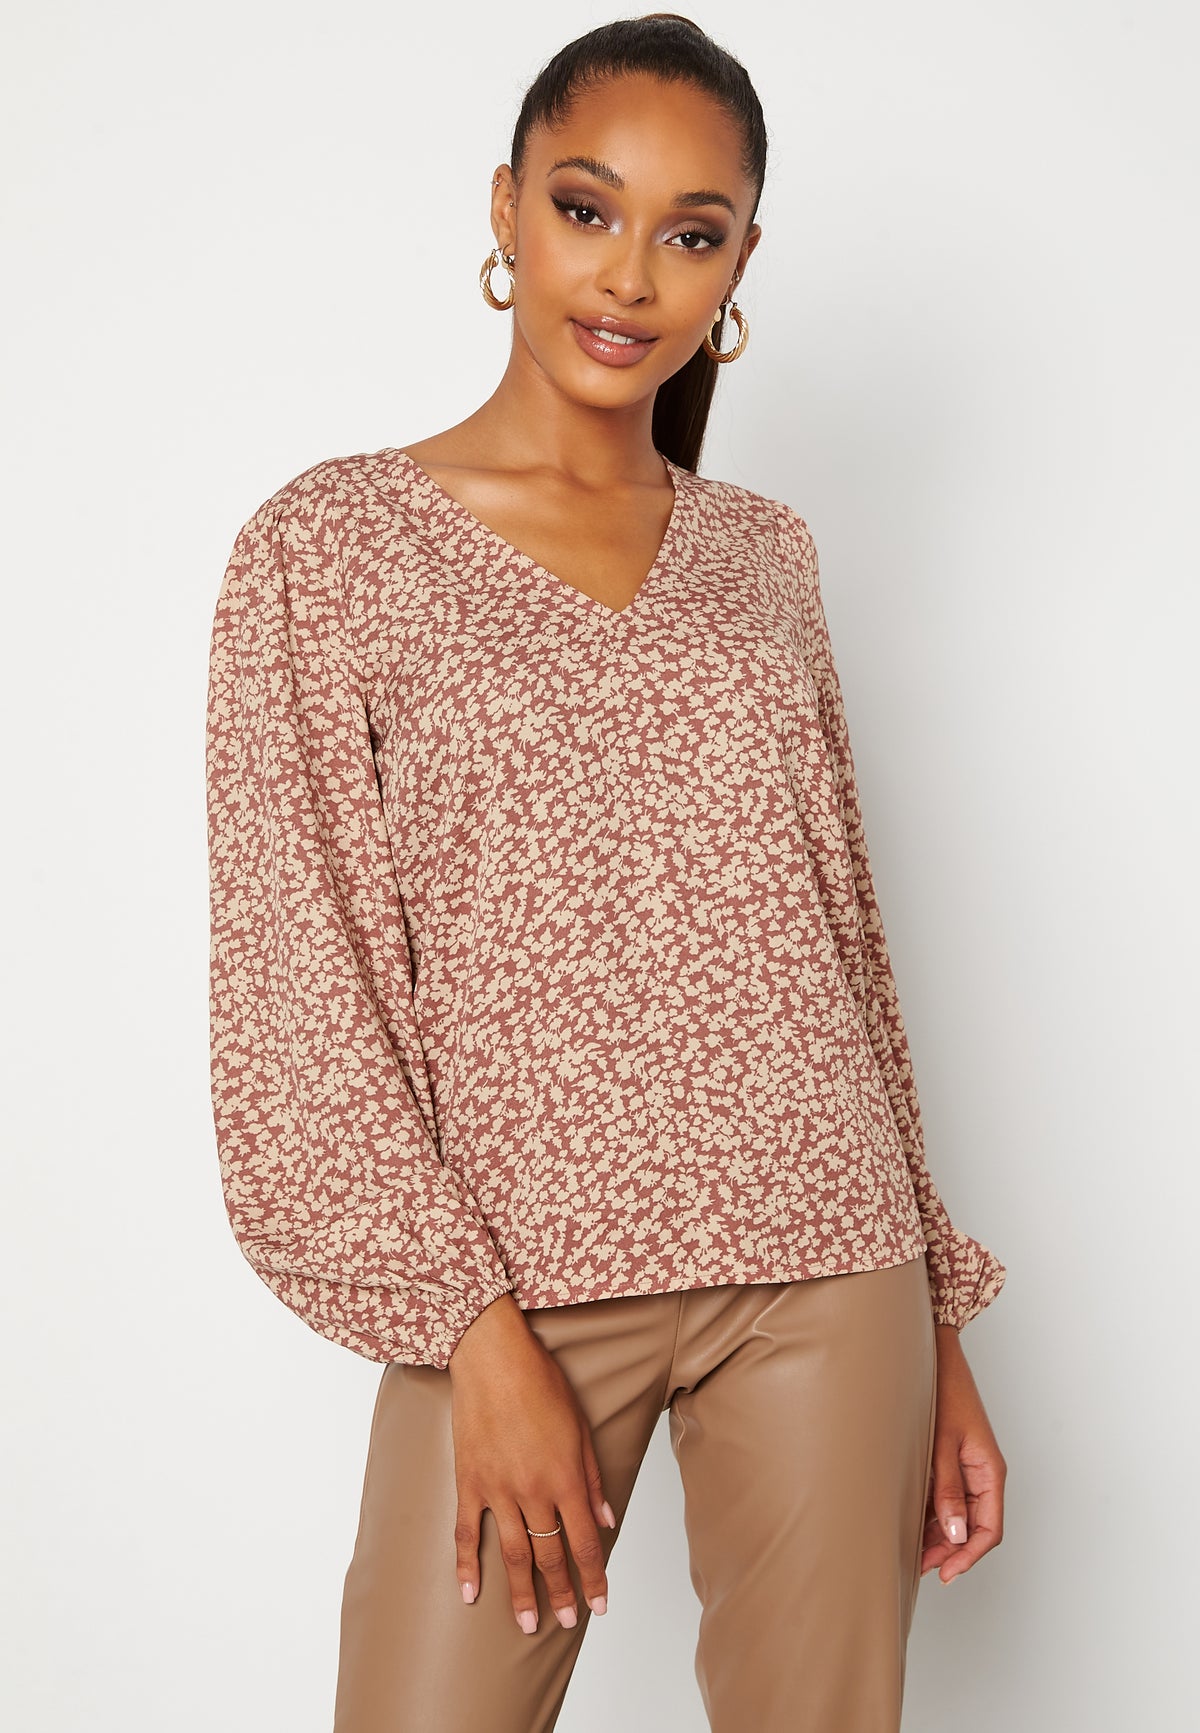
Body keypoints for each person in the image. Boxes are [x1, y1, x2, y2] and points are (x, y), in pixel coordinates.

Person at [204, 15, 1008, 1732]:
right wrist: (469, 1328)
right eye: (586, 208)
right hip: (514, 1285)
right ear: (505, 209)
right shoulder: (327, 546)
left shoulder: (763, 556)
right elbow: (302, 981)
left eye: (690, 232)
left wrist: (938, 1323)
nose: (631, 275)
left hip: (829, 1262)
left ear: (740, 265)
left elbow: (844, 944)